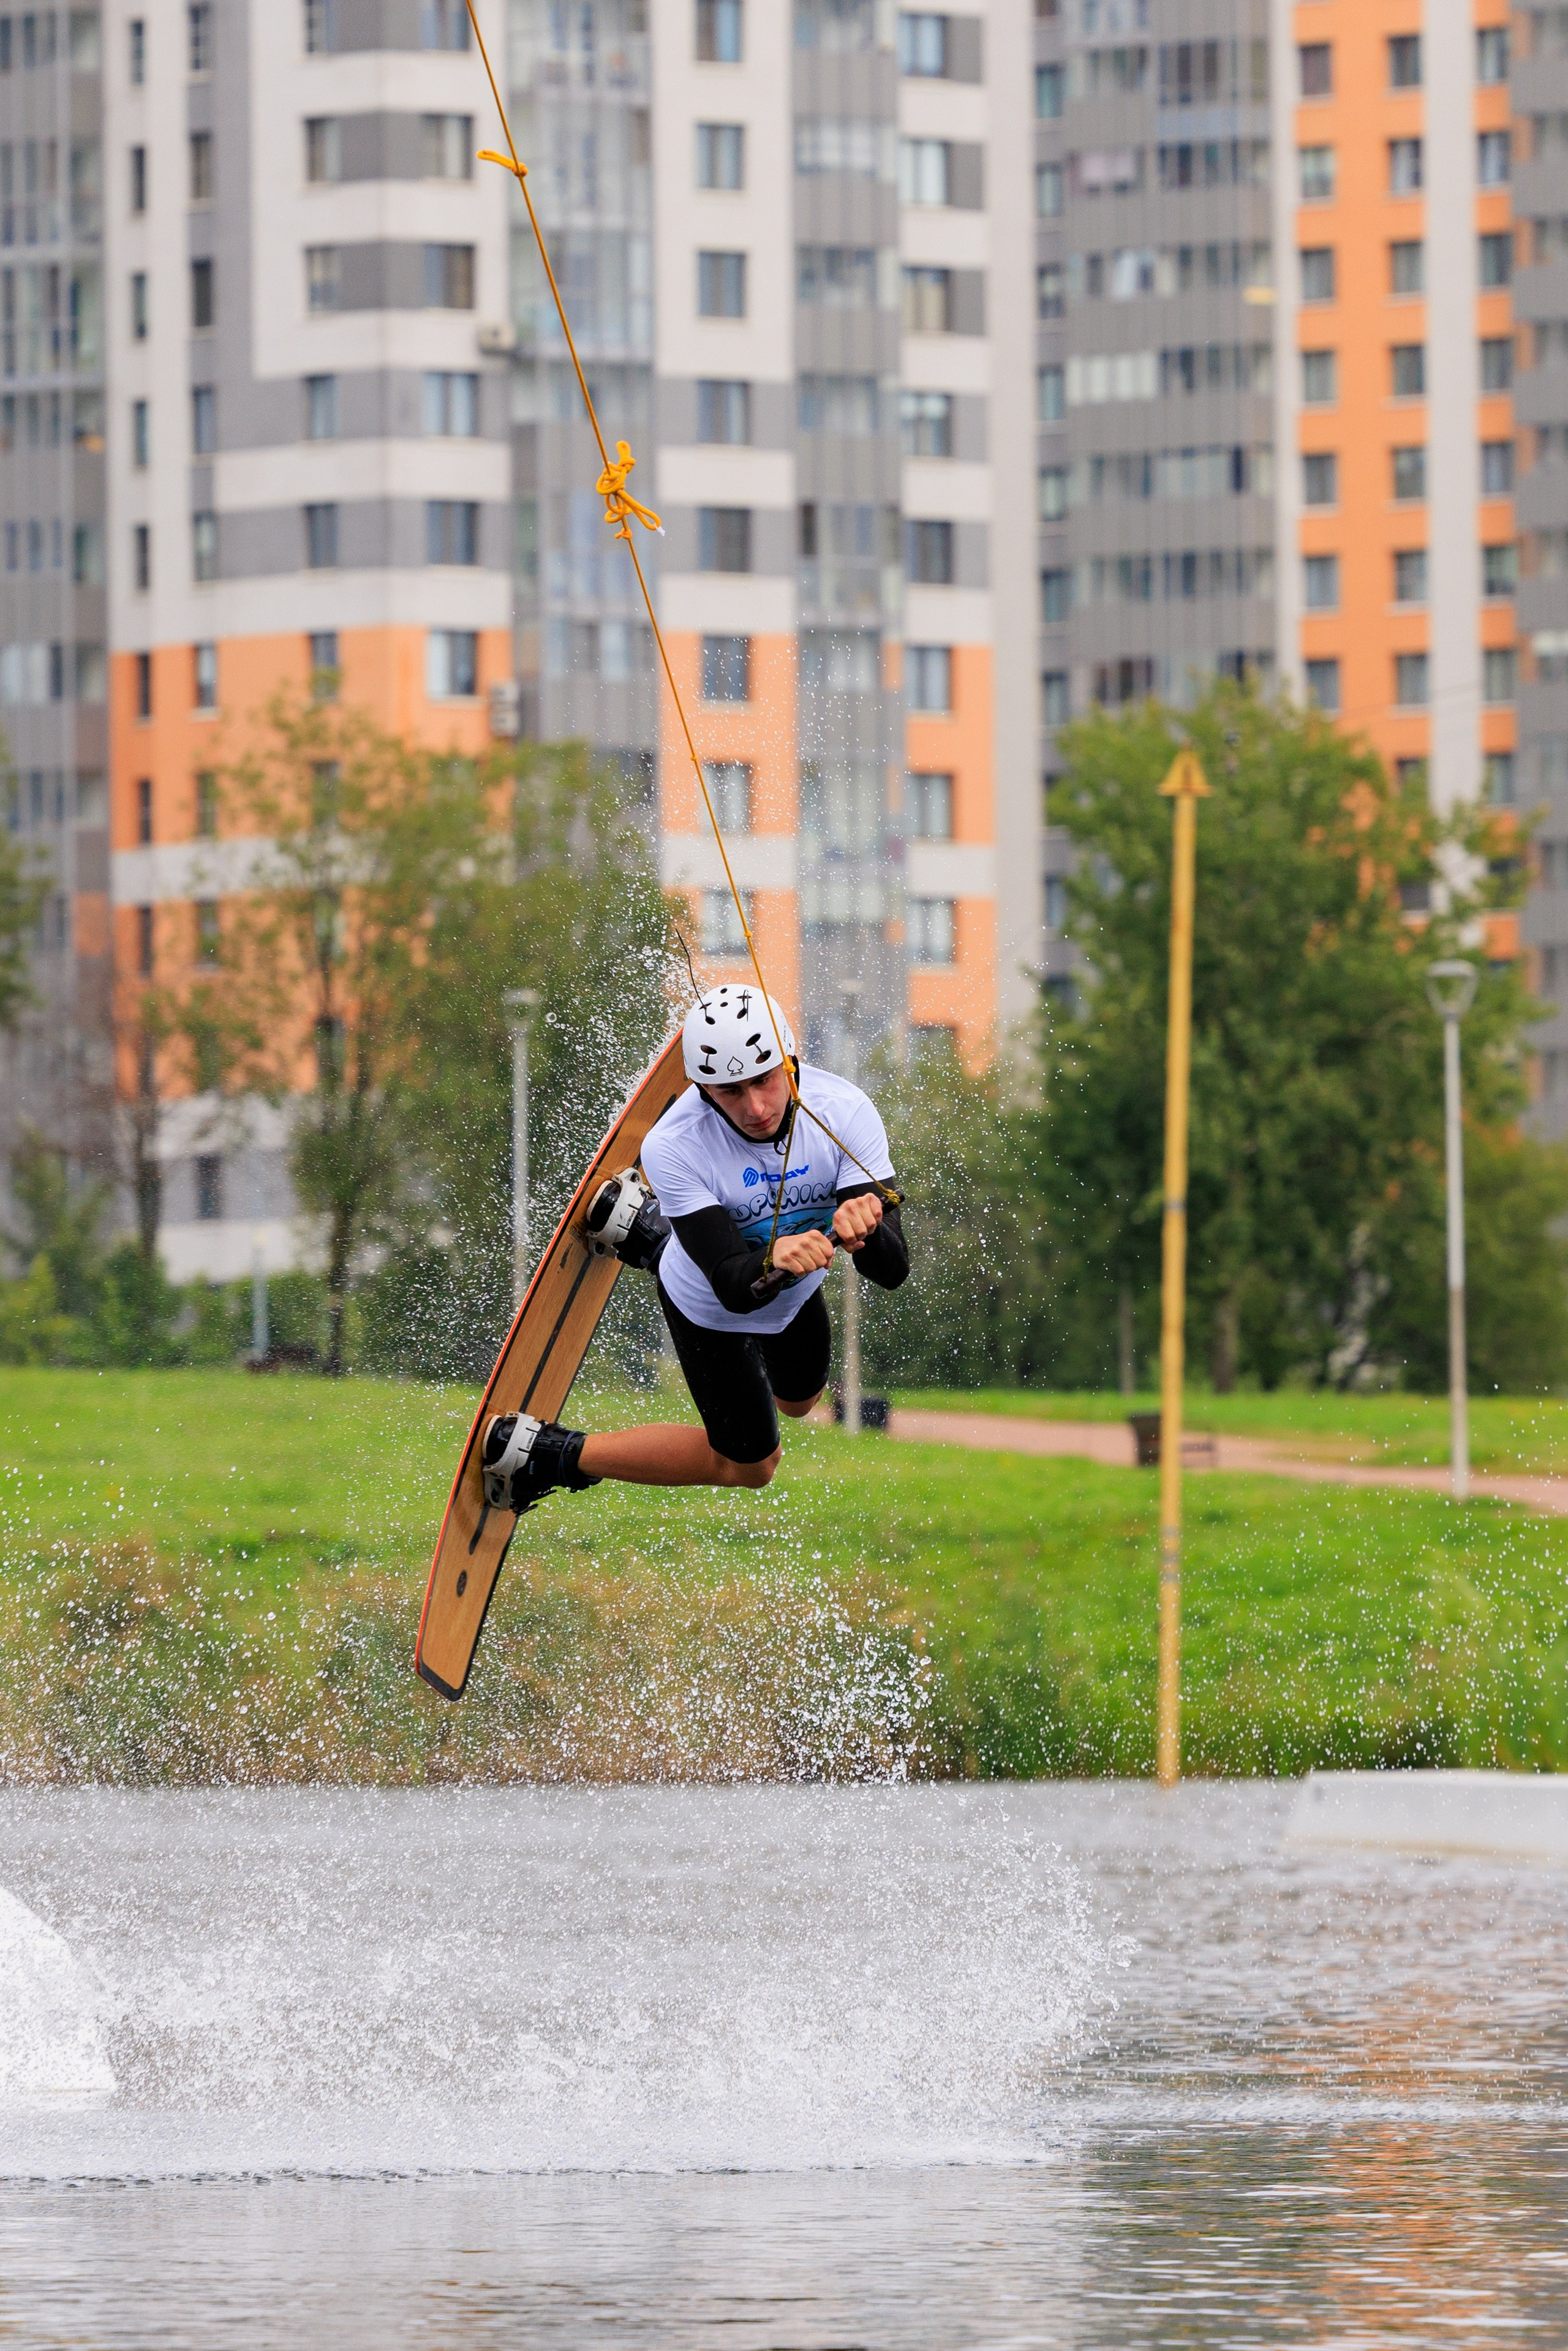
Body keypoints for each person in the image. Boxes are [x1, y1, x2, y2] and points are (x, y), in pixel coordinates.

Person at [480, 986, 908, 1510]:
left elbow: (893, 1270)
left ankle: (646, 1231)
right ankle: (550, 1454)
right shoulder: (673, 1143)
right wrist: (772, 1257)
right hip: (708, 1306)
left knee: (800, 1404)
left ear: (791, 1063)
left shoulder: (846, 1111)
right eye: (730, 1091)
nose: (755, 1108)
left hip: (793, 1297)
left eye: (765, 1080)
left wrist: (868, 1234)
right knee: (752, 1467)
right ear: (703, 1090)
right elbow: (731, 1286)